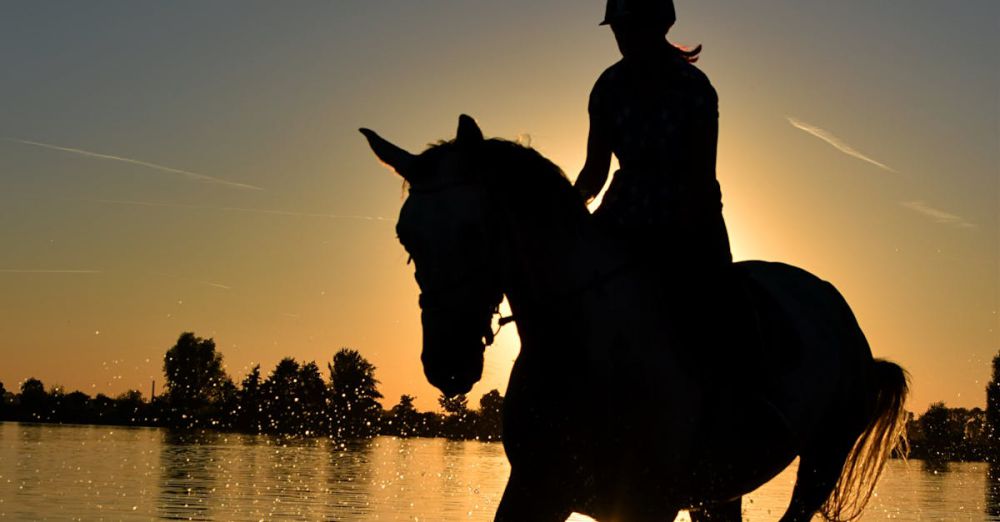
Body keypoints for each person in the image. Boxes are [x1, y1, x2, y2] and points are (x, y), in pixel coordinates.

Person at [575, 0, 732, 278]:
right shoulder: (607, 88)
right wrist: (568, 212)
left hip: (690, 221)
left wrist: (678, 233)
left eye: (633, 29)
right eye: (619, 31)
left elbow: (701, 176)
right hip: (622, 216)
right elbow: (595, 171)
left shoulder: (695, 88)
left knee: (718, 302)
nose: (625, 40)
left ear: (660, 27)